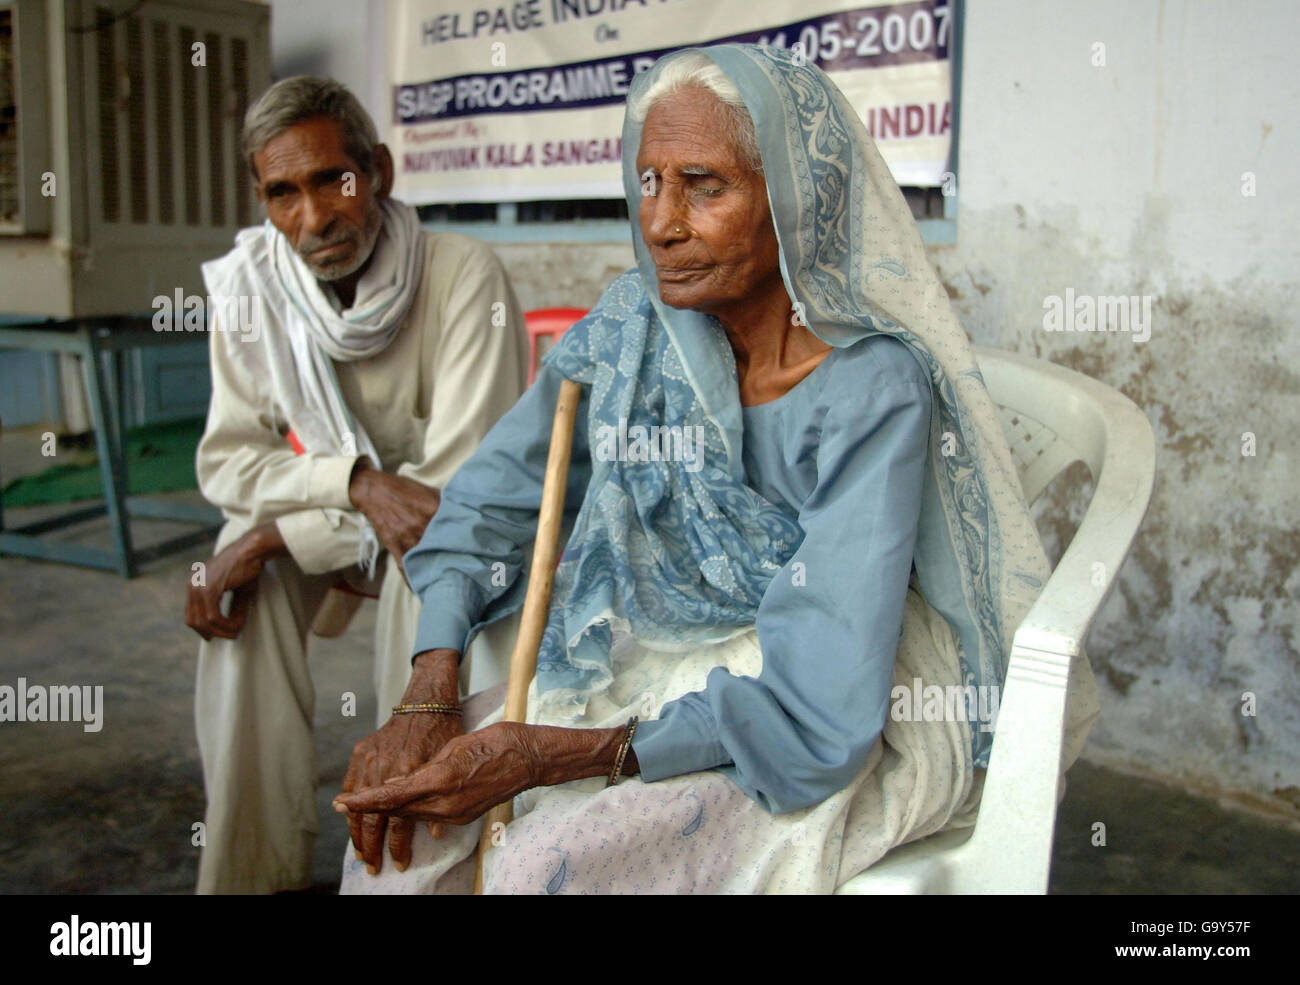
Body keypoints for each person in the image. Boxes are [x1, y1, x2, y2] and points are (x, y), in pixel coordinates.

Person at [334, 44, 1100, 894]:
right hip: (653, 653)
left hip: (816, 700)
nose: (661, 222)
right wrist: (428, 689)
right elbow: (491, 503)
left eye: (706, 185)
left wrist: (548, 757)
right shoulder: (637, 330)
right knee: (409, 839)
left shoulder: (873, 388)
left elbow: (819, 706)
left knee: (542, 870)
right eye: (651, 180)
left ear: (799, 202)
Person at [185, 76, 528, 894]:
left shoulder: (462, 274)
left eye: (332, 180)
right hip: (353, 515)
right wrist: (353, 483)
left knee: (429, 563)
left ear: (378, 169)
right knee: (241, 577)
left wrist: (283, 530)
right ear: (260, 198)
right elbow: (229, 461)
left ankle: (403, 863)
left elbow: (454, 499)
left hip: (448, 534)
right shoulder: (252, 288)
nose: (314, 218)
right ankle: (246, 871)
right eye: (282, 193)